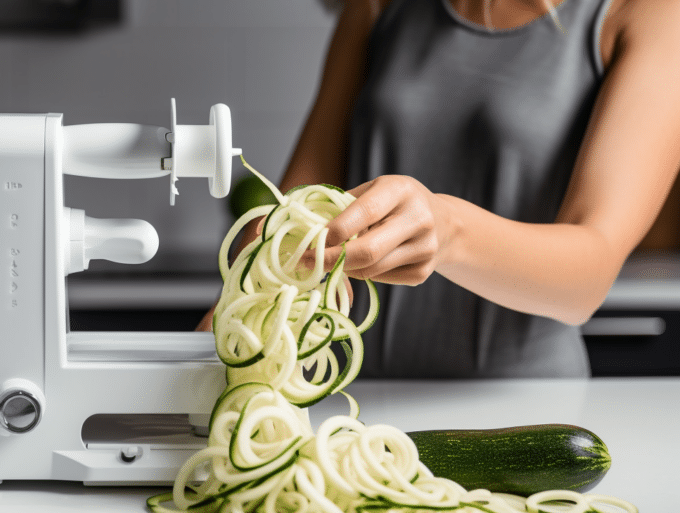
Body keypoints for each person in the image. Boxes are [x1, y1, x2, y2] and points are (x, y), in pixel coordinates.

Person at [199, 0, 680, 378]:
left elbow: (589, 274)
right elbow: (293, 209)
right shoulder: (376, 6)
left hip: (528, 416)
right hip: (351, 401)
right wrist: (237, 304)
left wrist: (448, 232)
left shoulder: (647, 14)